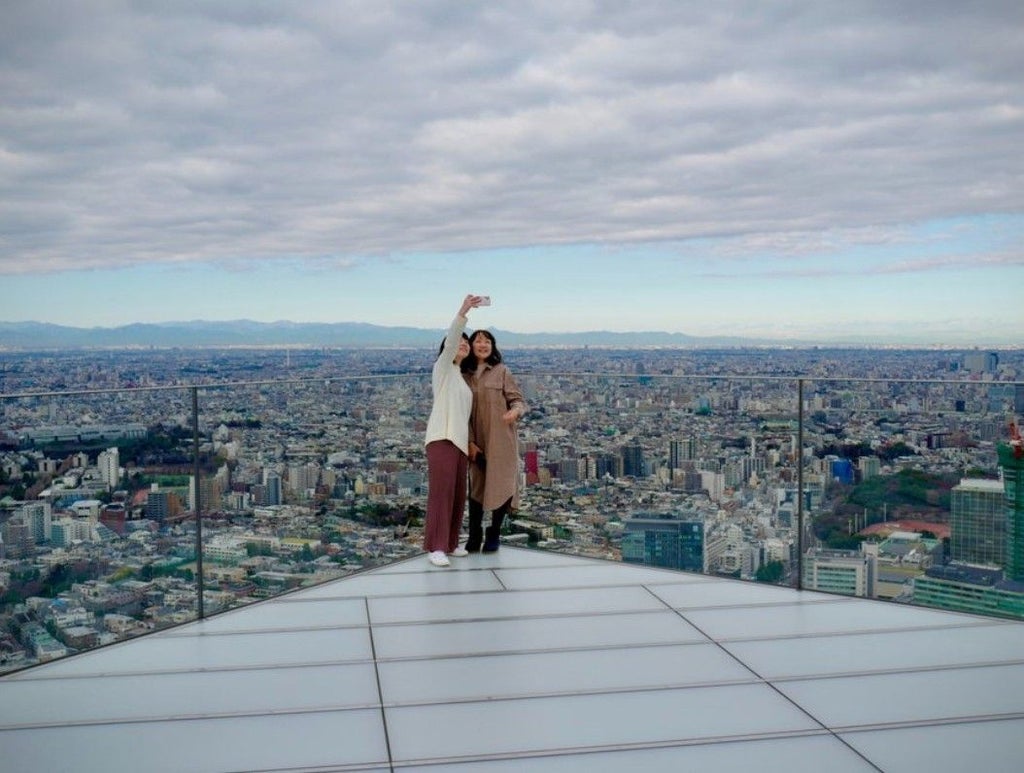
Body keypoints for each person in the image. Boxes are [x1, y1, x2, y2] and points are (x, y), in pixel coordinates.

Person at [423, 294, 485, 567]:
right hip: (442, 438)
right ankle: (435, 546)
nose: (463, 345)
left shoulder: (461, 376)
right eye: (460, 342)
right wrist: (463, 311)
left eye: (466, 344)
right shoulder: (443, 369)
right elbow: (451, 341)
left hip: (458, 441)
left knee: (458, 494)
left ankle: (449, 542)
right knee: (441, 492)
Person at [461, 328, 527, 552]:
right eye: (478, 341)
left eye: (487, 341)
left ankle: (494, 533)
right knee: (477, 488)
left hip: (501, 440)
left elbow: (517, 400)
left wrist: (515, 412)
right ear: (470, 346)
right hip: (476, 439)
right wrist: (469, 441)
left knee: (501, 486)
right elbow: (461, 411)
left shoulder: (502, 371)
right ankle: (475, 532)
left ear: (493, 346)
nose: (483, 345)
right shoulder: (463, 374)